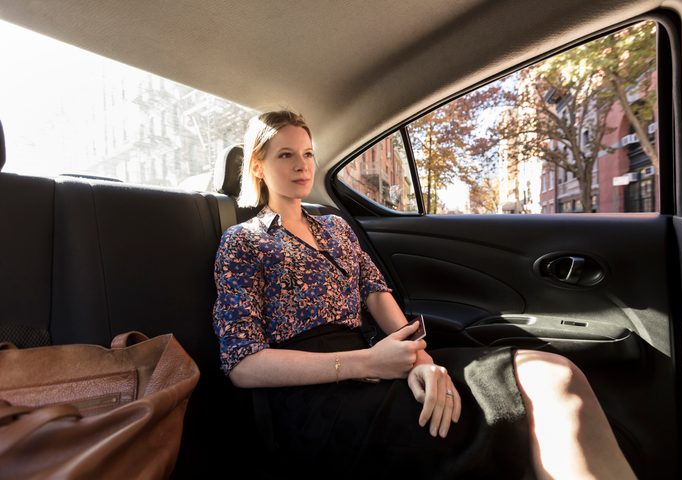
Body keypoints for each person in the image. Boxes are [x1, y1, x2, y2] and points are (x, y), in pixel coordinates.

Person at [213, 110, 637, 479]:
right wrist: (367, 362)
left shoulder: (335, 227)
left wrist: (421, 360)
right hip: (313, 398)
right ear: (258, 165)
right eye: (286, 155)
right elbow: (243, 364)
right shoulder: (243, 241)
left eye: (307, 154)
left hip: (379, 362)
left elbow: (375, 292)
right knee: (496, 417)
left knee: (555, 374)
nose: (302, 165)